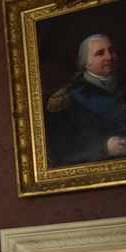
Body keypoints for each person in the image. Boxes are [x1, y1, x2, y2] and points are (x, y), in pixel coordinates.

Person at [45, 34, 126, 167]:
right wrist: (104, 147)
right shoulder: (66, 99)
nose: (109, 57)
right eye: (100, 53)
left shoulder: (122, 86)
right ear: (86, 63)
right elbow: (58, 150)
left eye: (111, 51)